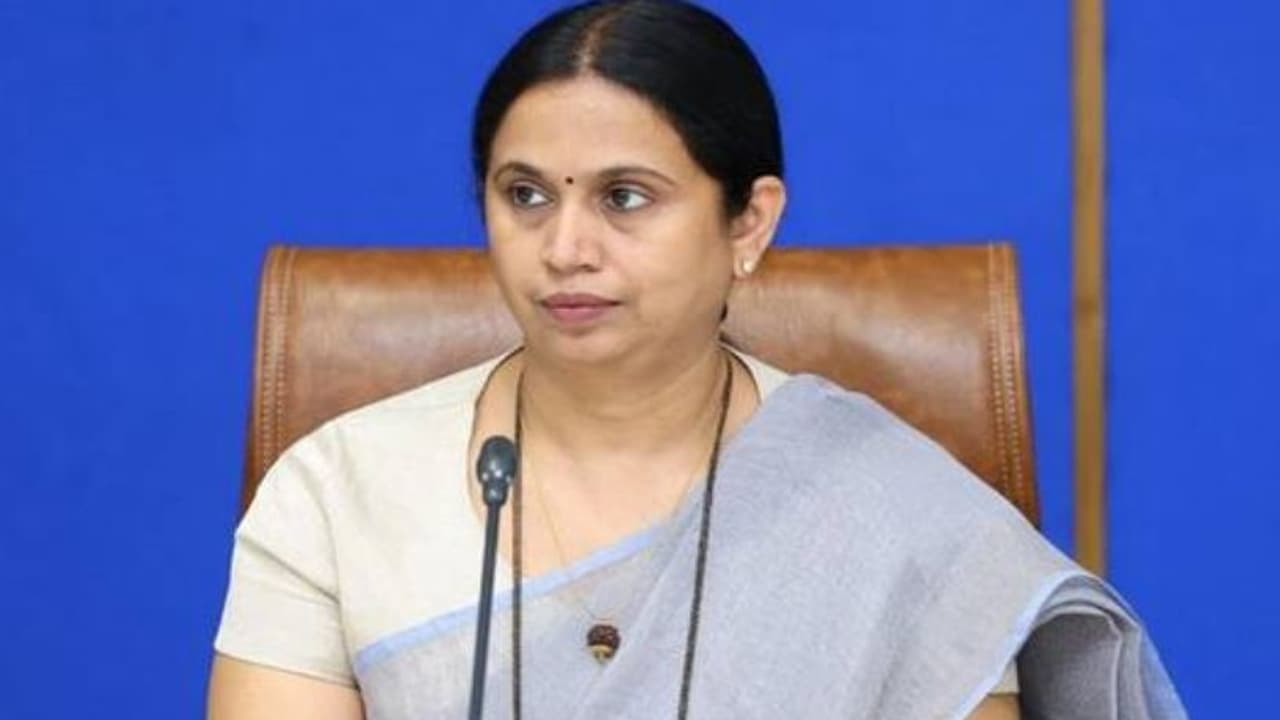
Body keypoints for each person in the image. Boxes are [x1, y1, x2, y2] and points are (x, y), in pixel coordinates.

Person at [207, 1, 1185, 718]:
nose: (565, 247)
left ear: (748, 222)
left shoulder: (895, 515)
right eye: (525, 195)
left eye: (624, 197)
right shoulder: (337, 492)